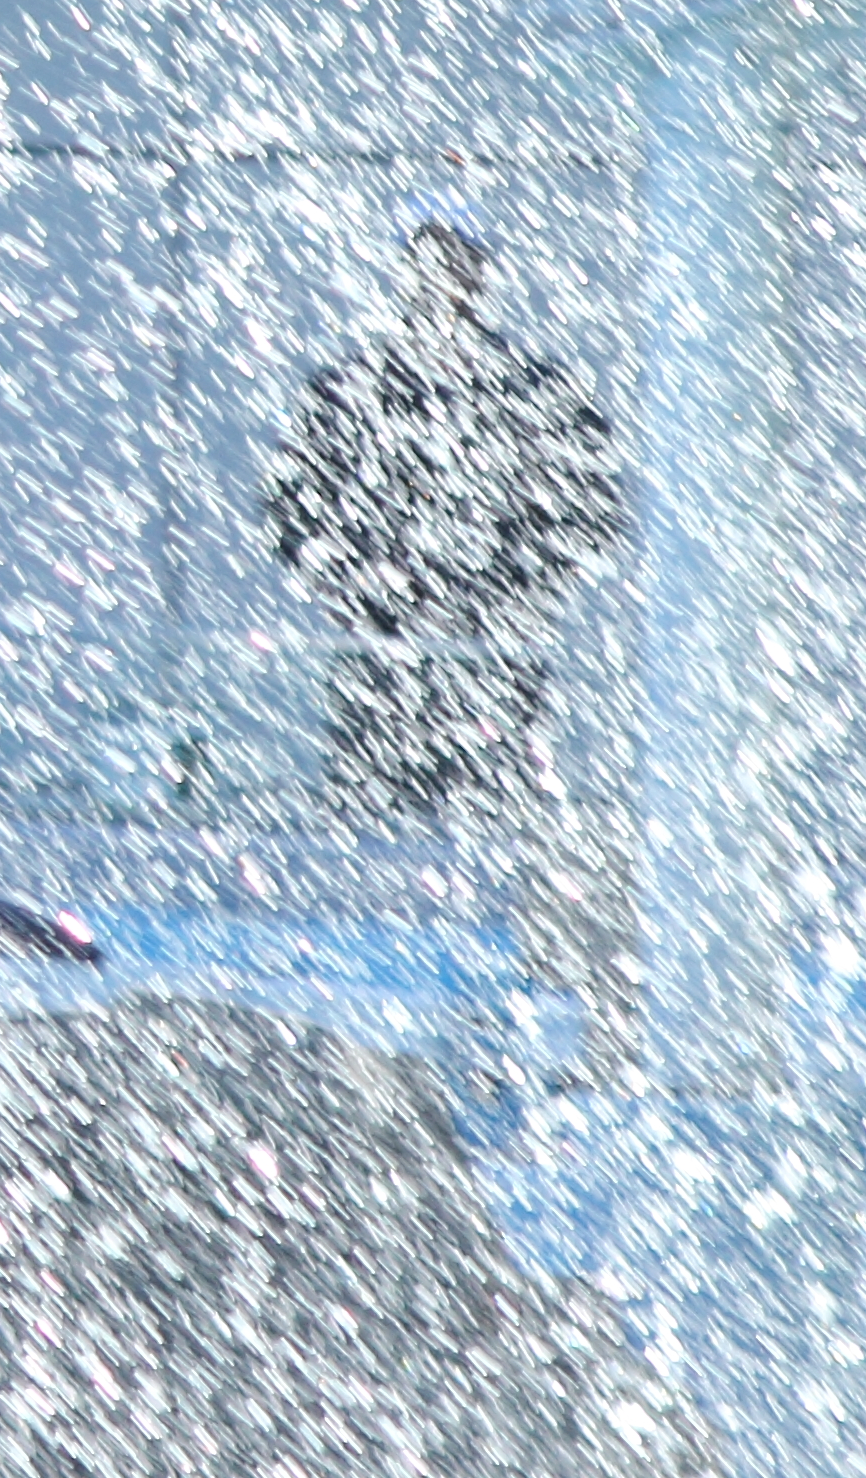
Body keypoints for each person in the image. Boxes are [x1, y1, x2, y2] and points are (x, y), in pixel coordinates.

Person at [261, 217, 632, 1052]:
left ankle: (481, 1011)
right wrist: (378, 592)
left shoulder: (530, 393)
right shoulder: (355, 390)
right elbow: (292, 516)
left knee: (494, 846)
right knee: (376, 854)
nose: (443, 290)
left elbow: (586, 516)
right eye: (430, 271)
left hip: (486, 672)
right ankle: (386, 1017)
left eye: (455, 272)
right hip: (385, 673)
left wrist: (485, 593)